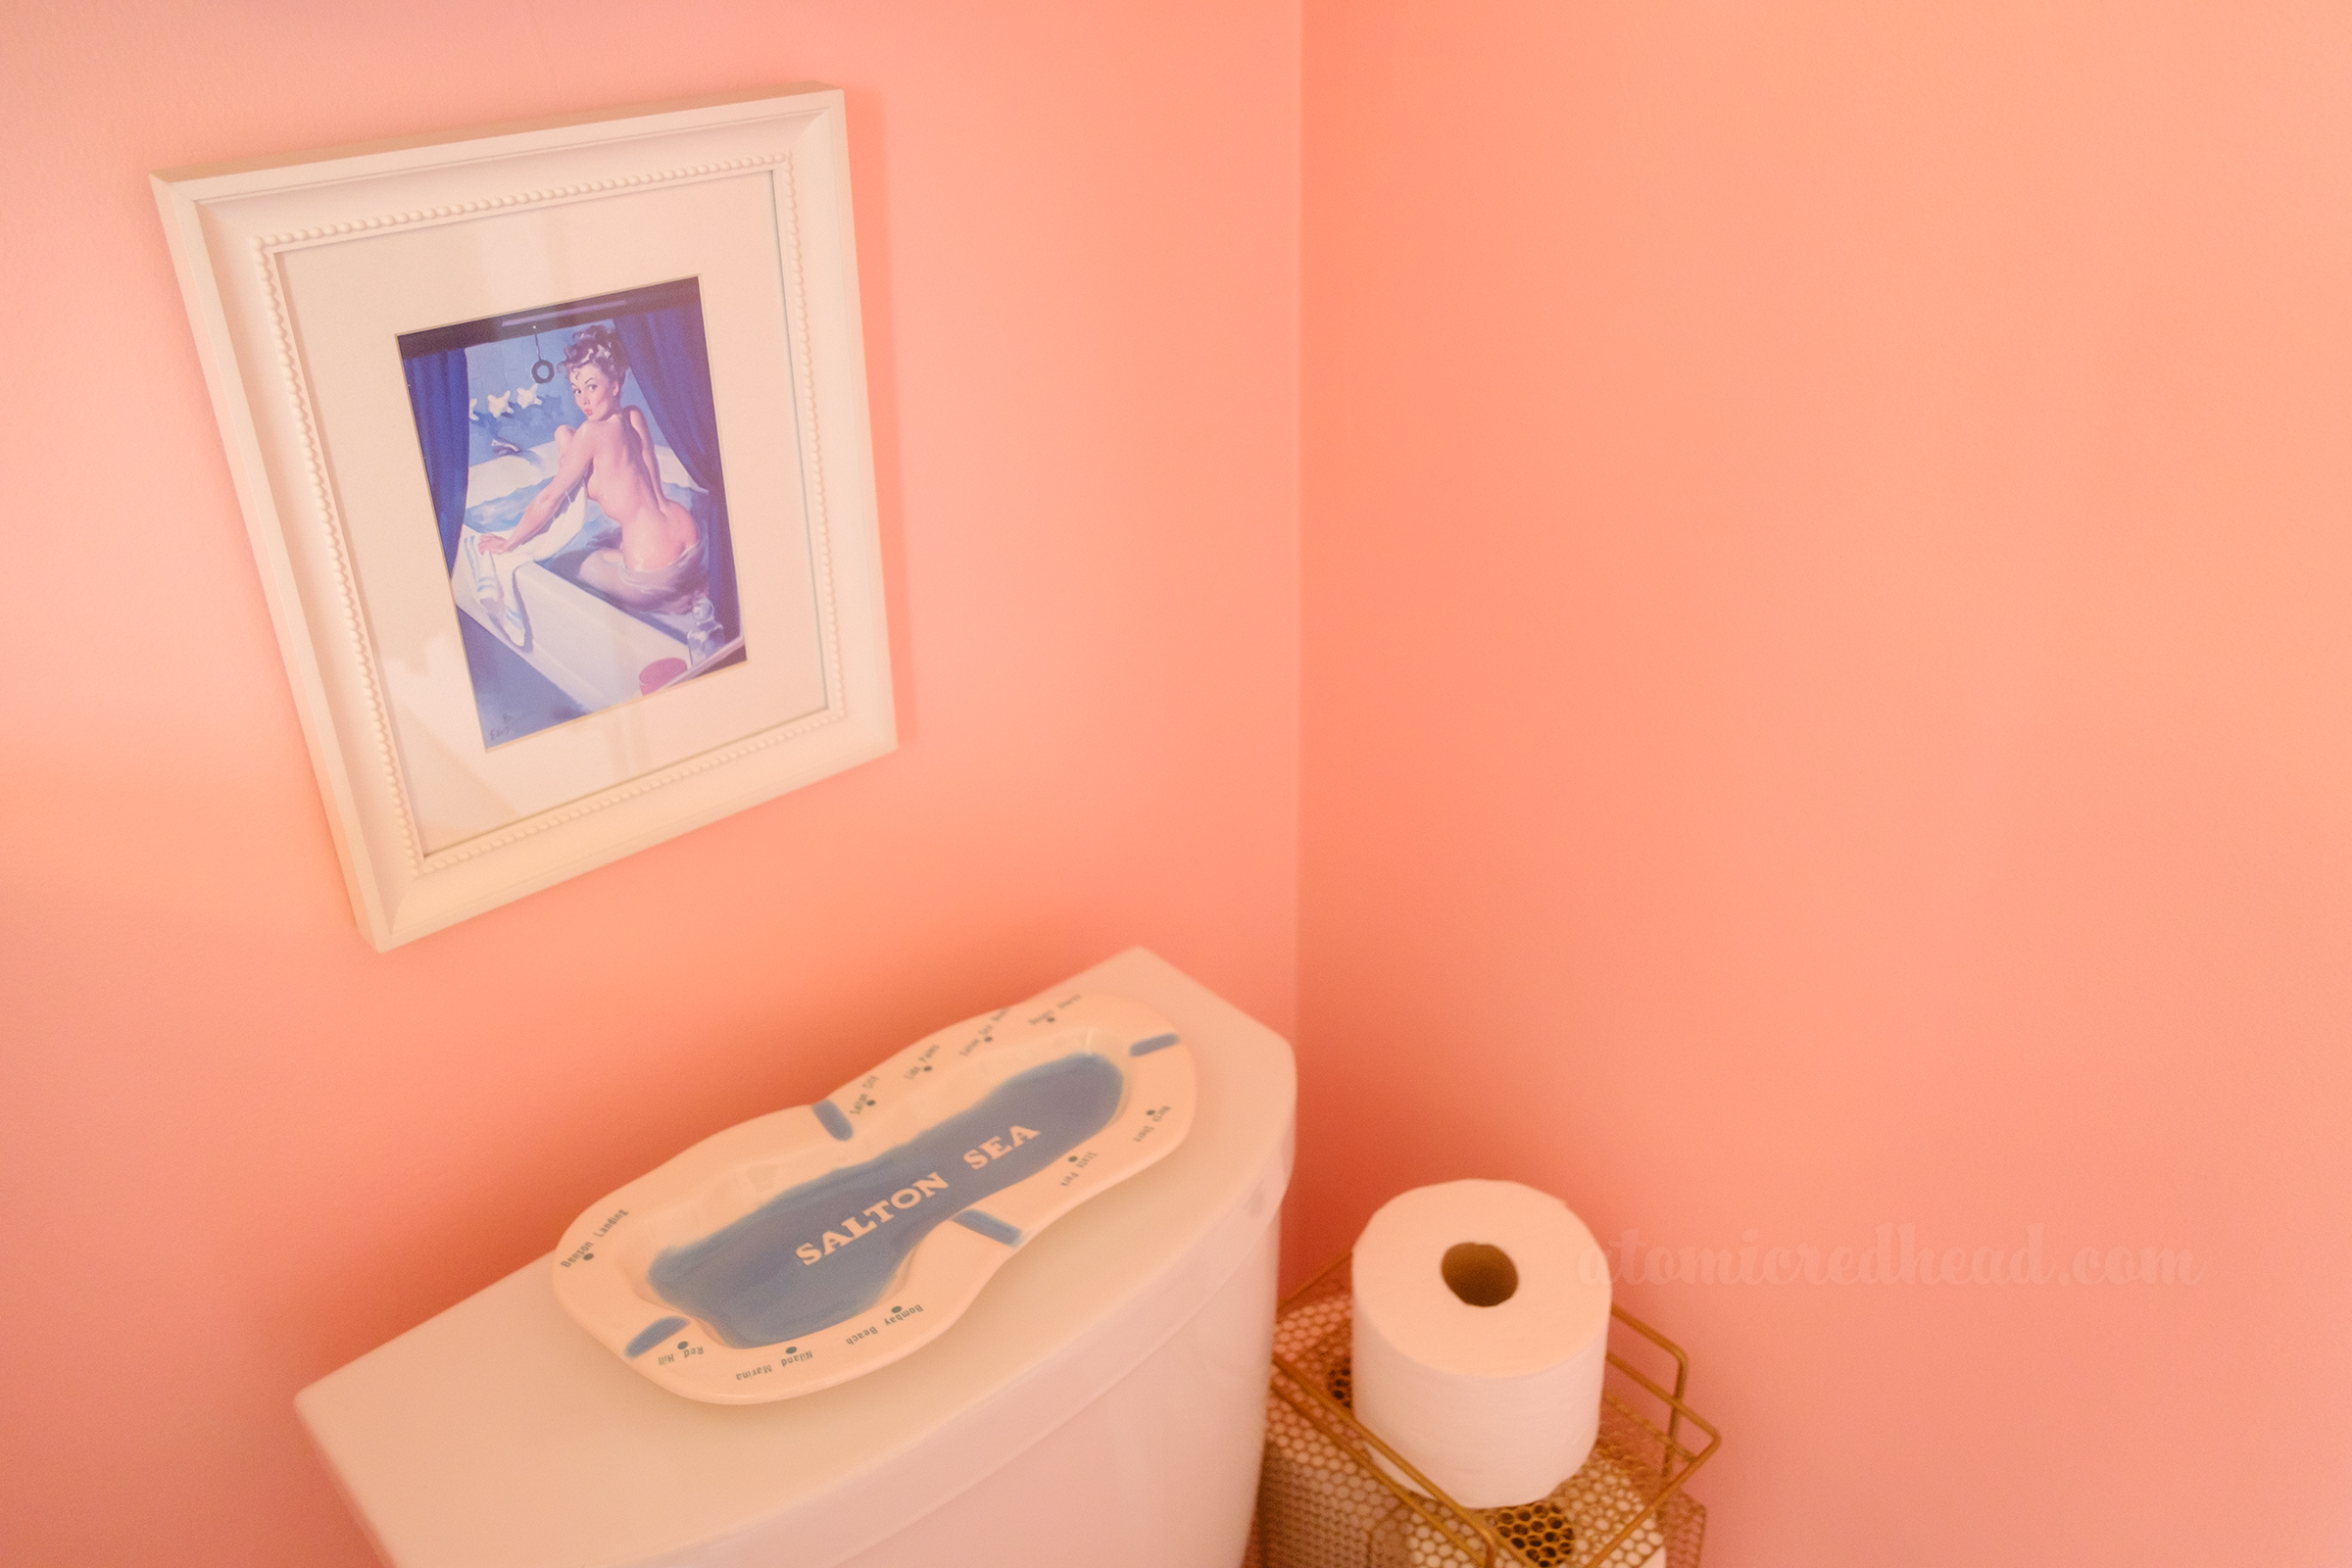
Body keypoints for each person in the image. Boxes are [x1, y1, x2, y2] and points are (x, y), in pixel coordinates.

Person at [470, 325, 707, 639]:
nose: (583, 400)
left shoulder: (589, 434)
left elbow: (549, 499)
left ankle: (668, 603)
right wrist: (564, 438)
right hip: (687, 534)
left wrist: (509, 542)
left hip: (651, 563)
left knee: (566, 564)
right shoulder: (634, 416)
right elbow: (635, 478)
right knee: (564, 439)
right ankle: (689, 590)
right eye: (576, 390)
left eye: (591, 387)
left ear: (615, 384)